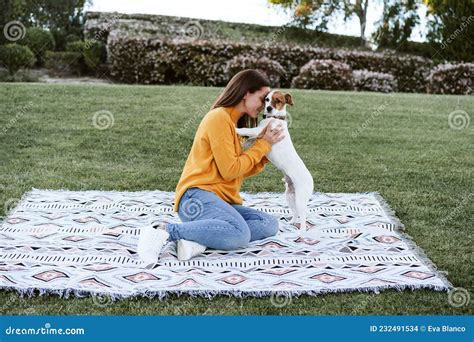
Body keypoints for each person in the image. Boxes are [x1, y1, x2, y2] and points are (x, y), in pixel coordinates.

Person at [137, 69, 285, 264]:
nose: (265, 104)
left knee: (269, 224)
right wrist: (262, 145)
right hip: (195, 199)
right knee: (240, 234)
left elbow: (238, 172)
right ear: (246, 93)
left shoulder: (235, 125)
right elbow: (230, 169)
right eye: (262, 98)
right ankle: (163, 231)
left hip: (220, 202)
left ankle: (199, 241)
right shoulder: (219, 118)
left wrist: (267, 153)